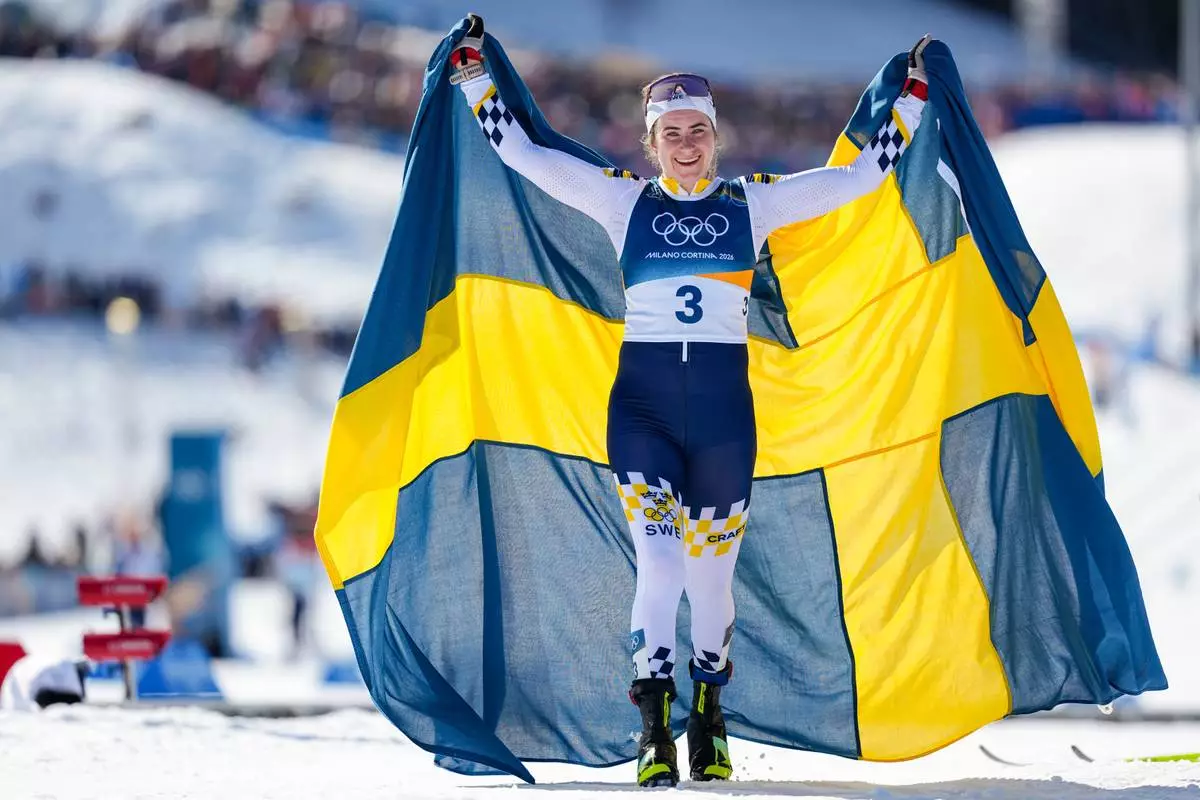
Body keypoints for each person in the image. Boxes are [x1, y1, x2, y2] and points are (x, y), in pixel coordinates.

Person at [449, 15, 930, 787]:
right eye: (670, 130)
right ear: (651, 140)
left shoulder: (754, 203)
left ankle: (709, 718)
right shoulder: (621, 202)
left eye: (696, 129)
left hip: (721, 423)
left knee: (710, 581)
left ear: (714, 135)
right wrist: (474, 77)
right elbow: (524, 155)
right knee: (661, 563)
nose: (684, 142)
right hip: (641, 413)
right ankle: (652, 730)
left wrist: (911, 99)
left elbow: (859, 180)